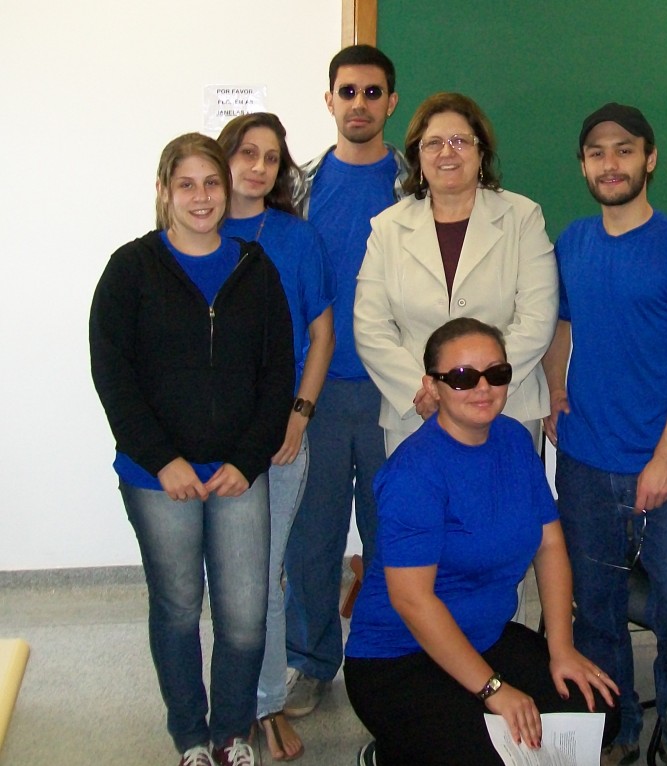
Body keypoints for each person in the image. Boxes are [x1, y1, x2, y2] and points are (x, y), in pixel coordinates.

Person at [89, 133, 294, 766]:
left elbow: (277, 374)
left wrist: (248, 460)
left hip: (238, 474)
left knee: (242, 615)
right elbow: (112, 374)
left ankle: (232, 734)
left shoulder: (254, 270)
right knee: (177, 608)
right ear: (163, 192)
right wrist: (162, 460)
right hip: (158, 478)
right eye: (187, 184)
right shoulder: (130, 269)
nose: (202, 197)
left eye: (211, 183)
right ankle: (190, 738)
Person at [542, 103, 667, 766]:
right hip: (586, 461)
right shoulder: (570, 242)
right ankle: (617, 728)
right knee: (595, 607)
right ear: (584, 166)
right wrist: (555, 390)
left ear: (649, 158)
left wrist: (666, 458)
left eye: (624, 150)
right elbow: (559, 324)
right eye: (596, 152)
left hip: (662, 466)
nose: (609, 163)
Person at [344, 318, 620, 766]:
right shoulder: (413, 472)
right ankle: (391, 754)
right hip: (397, 658)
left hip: (485, 638)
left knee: (599, 713)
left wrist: (562, 650)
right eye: (462, 377)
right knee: (493, 756)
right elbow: (413, 602)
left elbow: (549, 547)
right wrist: (495, 690)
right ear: (433, 385)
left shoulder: (512, 440)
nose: (483, 387)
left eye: (497, 373)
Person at [283, 44, 408, 719]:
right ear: (329, 100)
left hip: (400, 393)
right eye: (347, 92)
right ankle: (309, 661)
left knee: (395, 533)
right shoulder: (295, 187)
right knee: (314, 537)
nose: (359, 104)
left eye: (372, 93)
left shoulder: (421, 182)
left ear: (391, 103)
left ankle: (388, 657)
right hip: (319, 394)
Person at [217, 113, 336, 761]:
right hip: (211, 437)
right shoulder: (192, 231)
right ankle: (233, 701)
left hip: (280, 433)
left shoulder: (296, 238)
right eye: (247, 153)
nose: (259, 167)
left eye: (271, 157)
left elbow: (321, 335)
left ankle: (263, 706)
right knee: (222, 579)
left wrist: (300, 413)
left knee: (264, 575)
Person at [354, 91, 558, 455]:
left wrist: (473, 387)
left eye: (460, 141)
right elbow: (370, 328)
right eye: (433, 143)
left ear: (481, 152)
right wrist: (429, 389)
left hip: (504, 410)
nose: (447, 152)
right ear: (418, 155)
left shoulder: (522, 218)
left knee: (505, 511)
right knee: (424, 513)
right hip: (417, 413)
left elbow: (537, 321)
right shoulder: (387, 228)